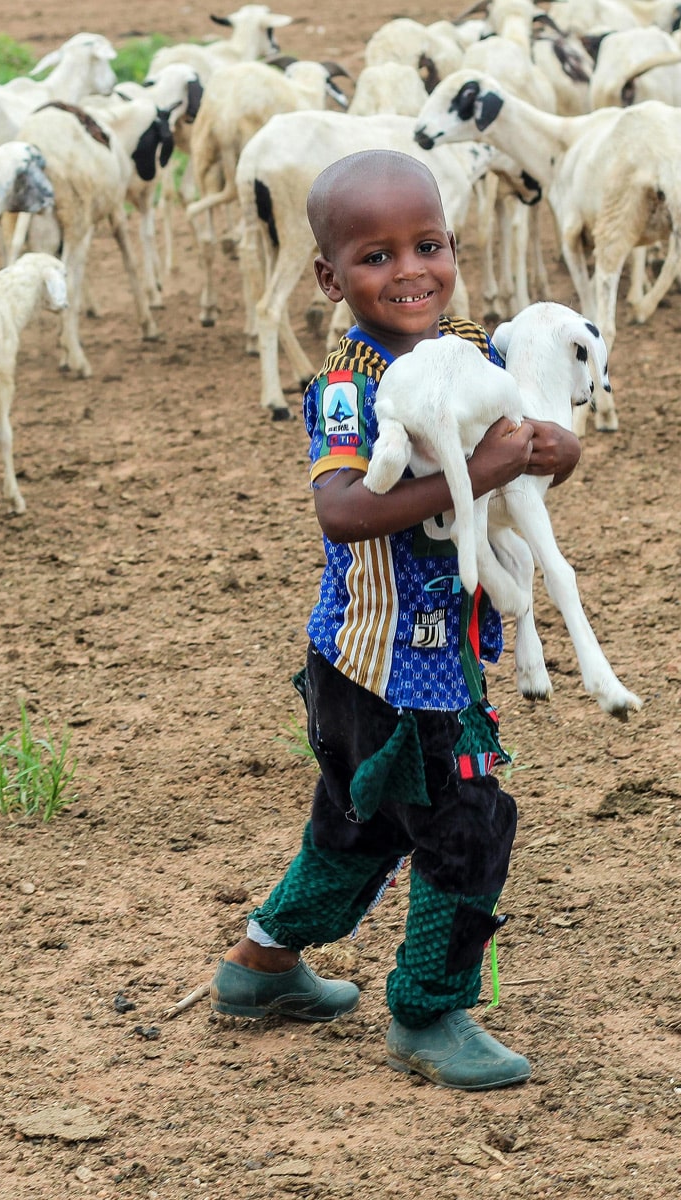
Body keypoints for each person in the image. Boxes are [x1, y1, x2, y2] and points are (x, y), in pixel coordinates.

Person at [209, 149, 582, 1090]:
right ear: (331, 278)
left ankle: (261, 967)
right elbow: (340, 507)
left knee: (361, 824)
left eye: (428, 245)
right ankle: (428, 1010)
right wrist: (489, 470)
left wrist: (552, 447)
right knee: (468, 820)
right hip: (380, 661)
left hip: (432, 646)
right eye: (376, 258)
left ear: (455, 245)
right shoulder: (347, 384)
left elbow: (526, 443)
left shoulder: (471, 349)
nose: (410, 271)